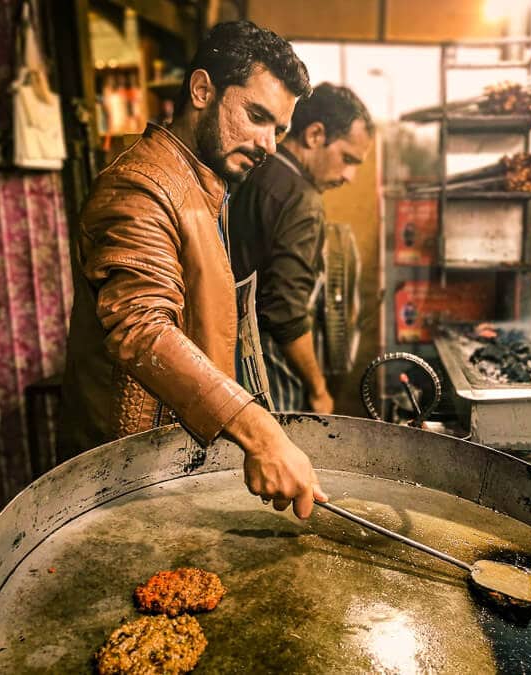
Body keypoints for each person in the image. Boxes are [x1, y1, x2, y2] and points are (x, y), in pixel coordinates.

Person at [59, 21, 327, 519]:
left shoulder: (205, 180)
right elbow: (141, 327)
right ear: (202, 89)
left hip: (169, 454)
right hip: (122, 471)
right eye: (256, 116)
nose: (269, 144)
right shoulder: (139, 187)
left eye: (280, 129)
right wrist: (261, 431)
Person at [229, 83, 373, 413]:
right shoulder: (302, 201)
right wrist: (318, 388)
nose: (349, 175)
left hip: (228, 353)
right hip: (267, 365)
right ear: (315, 135)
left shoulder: (258, 170)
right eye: (347, 159)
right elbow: (285, 311)